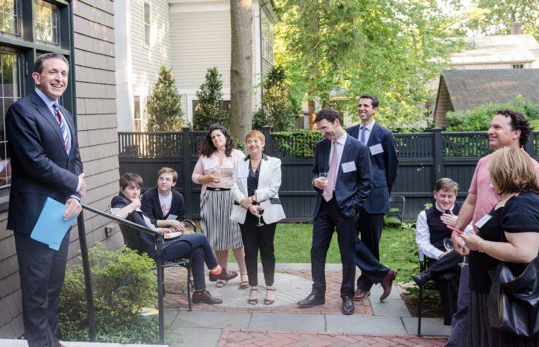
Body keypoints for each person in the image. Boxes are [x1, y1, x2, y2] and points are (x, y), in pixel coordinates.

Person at [6, 53, 87, 347]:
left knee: (53, 284)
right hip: (35, 212)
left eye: (64, 74)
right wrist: (74, 182)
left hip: (61, 212)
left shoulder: (64, 114)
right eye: (53, 72)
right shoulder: (21, 111)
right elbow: (34, 161)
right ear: (37, 77)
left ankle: (50, 340)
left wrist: (75, 195)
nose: (60, 78)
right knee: (36, 287)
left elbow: (74, 159)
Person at [446, 109, 539, 347]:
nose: (490, 131)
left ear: (516, 133)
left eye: (497, 127)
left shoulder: (532, 170)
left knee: (499, 321)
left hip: (504, 271)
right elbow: (471, 200)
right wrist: (457, 231)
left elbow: (526, 243)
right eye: (490, 126)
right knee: (466, 307)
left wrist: (480, 243)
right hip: (479, 255)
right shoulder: (484, 162)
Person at [111, 173, 237, 305]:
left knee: (198, 250)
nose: (136, 192)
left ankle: (200, 293)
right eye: (131, 188)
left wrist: (161, 230)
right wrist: (135, 204)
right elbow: (116, 217)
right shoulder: (120, 201)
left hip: (157, 242)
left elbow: (145, 227)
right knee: (201, 237)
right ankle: (216, 271)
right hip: (152, 251)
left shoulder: (133, 203)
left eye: (137, 188)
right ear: (122, 189)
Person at [297, 108, 372, 315]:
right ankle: (317, 293)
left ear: (337, 122)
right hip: (323, 206)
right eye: (320, 130)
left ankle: (347, 296)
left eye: (325, 128)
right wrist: (315, 181)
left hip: (346, 209)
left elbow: (366, 183)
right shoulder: (321, 146)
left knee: (348, 254)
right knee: (316, 250)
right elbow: (314, 172)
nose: (323, 133)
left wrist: (354, 206)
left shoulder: (358, 148)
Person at [346, 94, 399, 301]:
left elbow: (391, 168)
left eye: (366, 105)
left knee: (371, 243)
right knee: (347, 238)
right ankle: (383, 273)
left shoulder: (384, 134)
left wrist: (382, 191)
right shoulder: (349, 133)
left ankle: (363, 286)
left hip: (375, 197)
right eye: (359, 105)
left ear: (375, 109)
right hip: (351, 197)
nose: (361, 109)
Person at [231, 130, 286, 305]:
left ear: (263, 144)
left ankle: (269, 287)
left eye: (256, 141)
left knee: (267, 250)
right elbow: (233, 187)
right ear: (246, 144)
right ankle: (253, 287)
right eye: (249, 141)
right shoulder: (239, 163)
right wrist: (247, 204)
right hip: (245, 213)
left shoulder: (274, 163)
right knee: (250, 251)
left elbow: (273, 187)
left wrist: (253, 199)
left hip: (267, 211)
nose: (252, 144)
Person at [192, 124, 246, 288]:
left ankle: (244, 273)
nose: (216, 139)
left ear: (226, 136)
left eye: (219, 135)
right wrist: (207, 178)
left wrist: (244, 200)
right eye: (213, 137)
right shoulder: (205, 157)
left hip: (232, 198)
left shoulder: (237, 155)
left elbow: (244, 178)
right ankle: (222, 273)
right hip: (210, 198)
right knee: (217, 238)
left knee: (236, 237)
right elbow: (194, 177)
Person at [412, 178, 470, 326]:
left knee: (461, 252)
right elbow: (422, 243)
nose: (446, 200)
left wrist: (458, 222)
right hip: (438, 258)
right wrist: (439, 254)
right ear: (435, 194)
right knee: (447, 278)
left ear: (455, 196)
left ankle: (428, 274)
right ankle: (455, 325)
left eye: (450, 196)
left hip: (461, 256)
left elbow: (474, 234)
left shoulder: (464, 210)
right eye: (443, 195)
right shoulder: (425, 215)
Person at [141, 167, 186, 232]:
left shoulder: (178, 197)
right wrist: (170, 222)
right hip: (154, 233)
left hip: (173, 233)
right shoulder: (148, 196)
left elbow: (182, 219)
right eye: (161, 179)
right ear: (157, 180)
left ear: (173, 183)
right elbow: (148, 220)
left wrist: (179, 227)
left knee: (198, 237)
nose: (163, 182)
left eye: (168, 179)